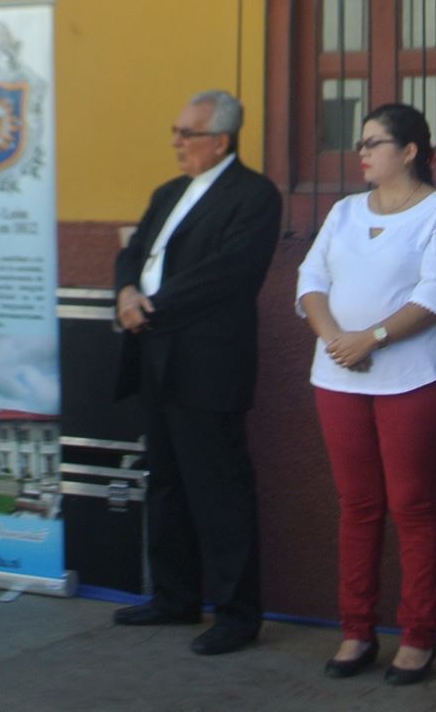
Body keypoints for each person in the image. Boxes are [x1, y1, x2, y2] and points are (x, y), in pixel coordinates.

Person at [294, 102, 436, 686]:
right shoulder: (345, 212)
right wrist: (335, 340)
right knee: (358, 506)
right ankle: (356, 630)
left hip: (418, 378)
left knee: (413, 506)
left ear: (410, 151)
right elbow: (311, 280)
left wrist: (370, 338)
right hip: (338, 379)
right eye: (361, 144)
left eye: (374, 143)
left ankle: (417, 637)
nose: (362, 153)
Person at [109, 89, 282, 656]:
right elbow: (132, 252)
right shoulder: (169, 192)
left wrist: (151, 306)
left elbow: (227, 273)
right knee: (166, 483)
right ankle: (174, 596)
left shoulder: (253, 196)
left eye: (187, 133)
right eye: (176, 130)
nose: (176, 142)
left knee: (219, 490)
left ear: (221, 140)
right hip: (155, 355)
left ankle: (236, 615)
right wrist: (126, 291)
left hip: (207, 362)